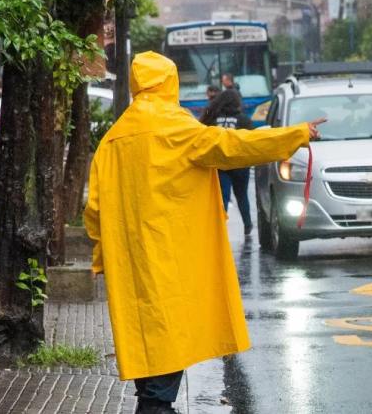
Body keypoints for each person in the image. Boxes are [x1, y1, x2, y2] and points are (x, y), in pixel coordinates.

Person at [84, 51, 324, 414]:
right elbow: (234, 147)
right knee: (167, 350)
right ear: (171, 83)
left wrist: (104, 258)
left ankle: (153, 402)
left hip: (130, 263)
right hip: (173, 258)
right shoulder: (177, 130)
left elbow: (94, 210)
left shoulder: (113, 140)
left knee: (148, 346)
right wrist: (296, 135)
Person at [199, 89, 255, 234]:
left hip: (220, 163)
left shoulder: (212, 119)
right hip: (240, 164)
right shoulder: (244, 120)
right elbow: (253, 141)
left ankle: (220, 227)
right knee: (242, 195)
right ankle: (247, 225)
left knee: (222, 196)